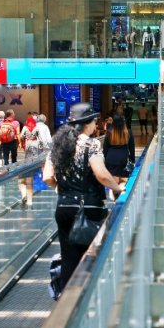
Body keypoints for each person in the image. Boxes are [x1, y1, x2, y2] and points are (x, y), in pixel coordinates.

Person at [42, 104, 123, 294]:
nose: (96, 124)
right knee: (92, 256)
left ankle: (68, 299)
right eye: (95, 121)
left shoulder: (58, 144)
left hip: (63, 207)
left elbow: (47, 176)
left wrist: (61, 189)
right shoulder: (91, 144)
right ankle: (90, 297)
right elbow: (101, 174)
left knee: (69, 258)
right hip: (88, 209)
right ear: (88, 123)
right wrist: (117, 187)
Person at [103, 115, 135, 183]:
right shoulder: (128, 132)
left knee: (112, 182)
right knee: (123, 182)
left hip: (110, 159)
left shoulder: (109, 132)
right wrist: (132, 160)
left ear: (113, 123)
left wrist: (105, 159)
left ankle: (114, 189)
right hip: (123, 159)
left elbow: (105, 148)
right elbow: (132, 148)